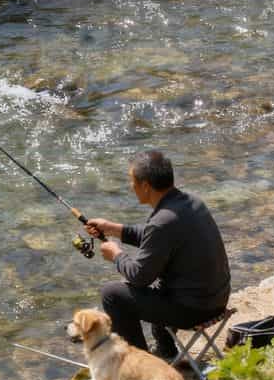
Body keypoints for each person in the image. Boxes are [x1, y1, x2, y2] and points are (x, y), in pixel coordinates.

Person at [86, 149, 230, 359]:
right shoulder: (191, 202)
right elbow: (155, 238)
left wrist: (116, 255)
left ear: (145, 186)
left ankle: (140, 365)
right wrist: (113, 228)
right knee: (160, 287)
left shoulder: (162, 222)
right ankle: (166, 351)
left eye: (132, 181)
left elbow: (139, 276)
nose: (131, 186)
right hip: (217, 300)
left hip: (195, 310)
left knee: (112, 294)